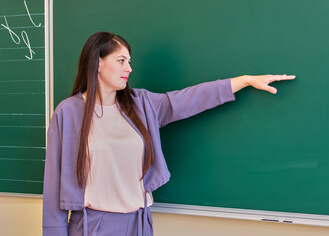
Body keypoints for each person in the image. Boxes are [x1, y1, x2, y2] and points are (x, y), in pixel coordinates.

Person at [42, 31, 295, 236]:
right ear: (98, 62)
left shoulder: (141, 104)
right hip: (92, 226)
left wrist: (244, 80)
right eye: (121, 61)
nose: (128, 68)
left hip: (138, 223)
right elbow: (53, 182)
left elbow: (187, 100)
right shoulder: (69, 112)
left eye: (129, 61)